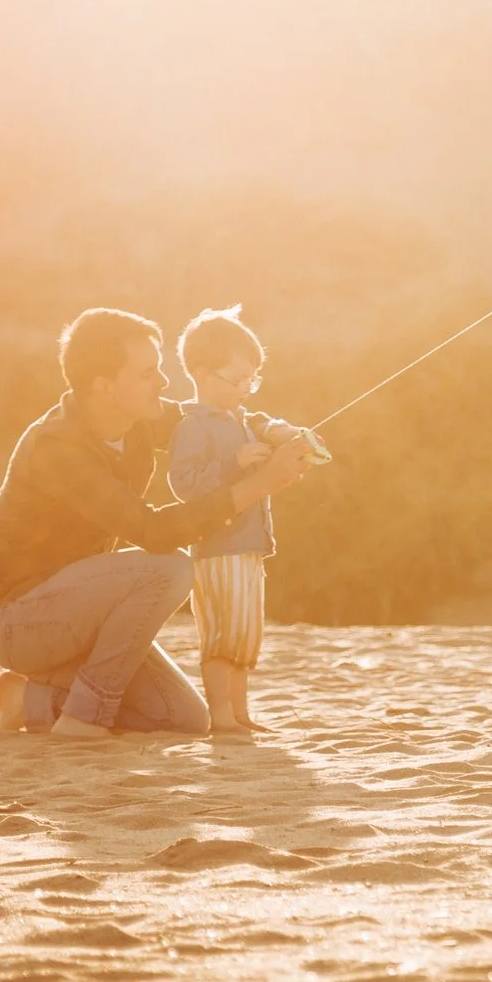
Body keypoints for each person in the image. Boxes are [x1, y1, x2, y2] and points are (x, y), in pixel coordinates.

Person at [0, 307, 315, 738]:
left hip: (89, 608)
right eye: (148, 373)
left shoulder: (138, 419)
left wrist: (278, 434)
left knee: (183, 718)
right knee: (168, 568)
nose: (165, 382)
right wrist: (261, 483)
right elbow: (151, 531)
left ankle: (31, 699)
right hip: (16, 620)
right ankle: (83, 719)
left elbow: (212, 413)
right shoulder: (56, 448)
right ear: (104, 386)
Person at [169, 305, 308, 735]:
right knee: (223, 637)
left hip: (251, 546)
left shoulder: (243, 418)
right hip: (218, 547)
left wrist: (297, 438)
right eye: (237, 379)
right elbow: (185, 484)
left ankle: (241, 715)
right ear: (202, 374)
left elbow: (271, 424)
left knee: (246, 638)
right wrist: (233, 463)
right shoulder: (193, 423)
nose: (247, 389)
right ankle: (221, 715)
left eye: (253, 379)